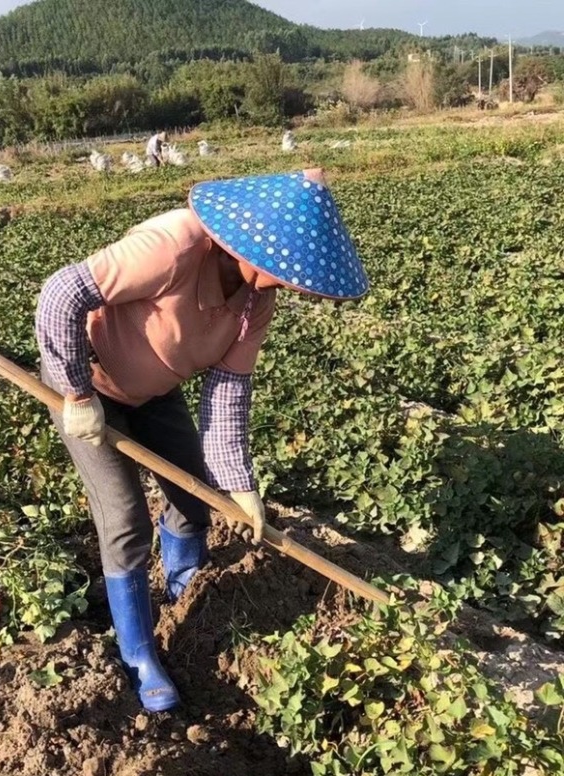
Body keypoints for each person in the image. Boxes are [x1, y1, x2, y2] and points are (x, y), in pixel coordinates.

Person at [35, 168, 368, 713]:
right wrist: (74, 393)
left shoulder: (255, 303)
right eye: (279, 269)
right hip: (92, 387)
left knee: (193, 497)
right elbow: (61, 292)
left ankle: (183, 587)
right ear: (247, 242)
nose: (283, 283)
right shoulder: (173, 246)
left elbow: (227, 395)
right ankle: (139, 652)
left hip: (156, 391)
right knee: (125, 518)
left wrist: (241, 486)